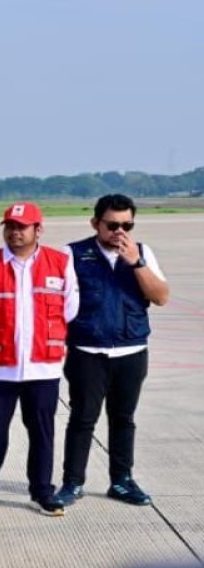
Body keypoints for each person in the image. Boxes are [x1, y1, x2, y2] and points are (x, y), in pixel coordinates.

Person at [57, 194, 170, 507]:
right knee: (82, 418)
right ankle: (72, 482)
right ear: (96, 223)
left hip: (131, 351)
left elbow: (161, 297)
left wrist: (136, 263)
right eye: (112, 225)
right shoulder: (72, 254)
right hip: (87, 351)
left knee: (123, 418)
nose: (119, 231)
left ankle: (121, 481)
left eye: (127, 225)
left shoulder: (142, 253)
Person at [0, 203, 78, 518]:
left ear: (37, 230)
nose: (15, 232)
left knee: (42, 432)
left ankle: (42, 491)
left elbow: (70, 308)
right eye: (10, 226)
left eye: (22, 227)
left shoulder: (61, 263)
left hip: (43, 365)